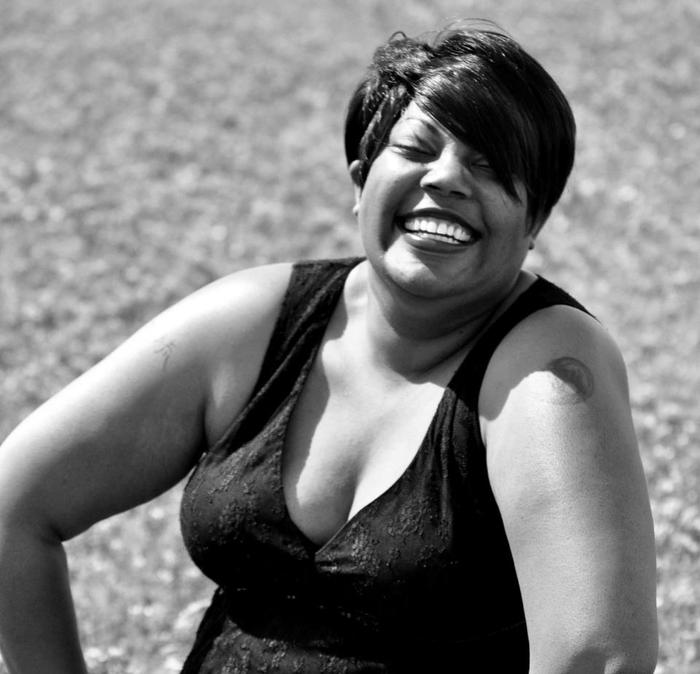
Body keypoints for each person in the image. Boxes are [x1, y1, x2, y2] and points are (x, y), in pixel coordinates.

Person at [0, 22, 658, 673]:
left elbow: (599, 657)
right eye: (418, 148)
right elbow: (14, 505)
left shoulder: (546, 366)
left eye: (489, 164)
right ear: (360, 182)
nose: (446, 178)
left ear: (535, 219)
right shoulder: (256, 322)